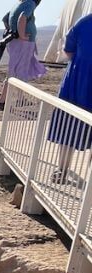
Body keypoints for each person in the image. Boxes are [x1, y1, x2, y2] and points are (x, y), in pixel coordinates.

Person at [49, 14, 92, 183]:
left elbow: (68, 50)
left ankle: (62, 170)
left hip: (78, 82)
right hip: (79, 81)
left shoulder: (84, 23)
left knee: (69, 126)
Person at [0, 0, 48, 110]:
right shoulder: (30, 3)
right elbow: (22, 18)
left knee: (17, 71)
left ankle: (18, 99)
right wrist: (21, 35)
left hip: (16, 42)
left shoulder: (19, 4)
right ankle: (3, 101)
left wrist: (15, 32)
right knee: (16, 72)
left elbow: (6, 19)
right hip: (22, 43)